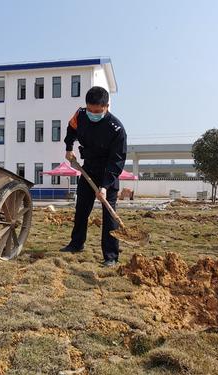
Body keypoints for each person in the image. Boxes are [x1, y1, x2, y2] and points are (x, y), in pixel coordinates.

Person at [60, 86, 127, 267]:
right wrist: (68, 148)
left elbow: (117, 161)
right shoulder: (80, 115)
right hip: (88, 169)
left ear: (106, 106)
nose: (93, 114)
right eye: (90, 110)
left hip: (108, 173)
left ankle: (111, 256)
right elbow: (70, 129)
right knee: (81, 209)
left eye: (97, 111)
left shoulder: (116, 129)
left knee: (109, 216)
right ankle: (76, 244)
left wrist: (104, 186)